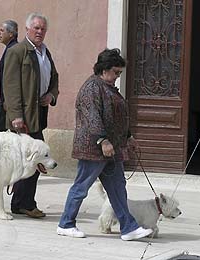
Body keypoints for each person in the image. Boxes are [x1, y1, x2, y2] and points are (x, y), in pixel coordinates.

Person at [57, 48, 153, 241]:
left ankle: (128, 227)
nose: (118, 76)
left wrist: (128, 138)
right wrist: (103, 140)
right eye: (116, 72)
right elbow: (93, 117)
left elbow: (116, 118)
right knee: (81, 186)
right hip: (94, 148)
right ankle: (65, 224)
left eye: (120, 73)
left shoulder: (107, 87)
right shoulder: (92, 88)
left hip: (112, 149)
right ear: (104, 69)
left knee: (118, 188)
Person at [3, 12, 59, 218]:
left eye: (43, 29)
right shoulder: (18, 51)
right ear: (27, 29)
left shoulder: (45, 52)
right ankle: (25, 203)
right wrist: (16, 114)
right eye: (36, 28)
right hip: (22, 119)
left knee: (29, 162)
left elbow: (54, 77)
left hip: (37, 116)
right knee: (34, 161)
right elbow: (10, 86)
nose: (40, 32)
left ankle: (20, 203)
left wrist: (52, 95)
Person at [0, 20, 18, 131]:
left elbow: (11, 79)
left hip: (8, 103)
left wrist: (7, 100)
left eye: (2, 30)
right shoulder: (10, 48)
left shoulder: (13, 50)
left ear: (11, 33)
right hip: (6, 101)